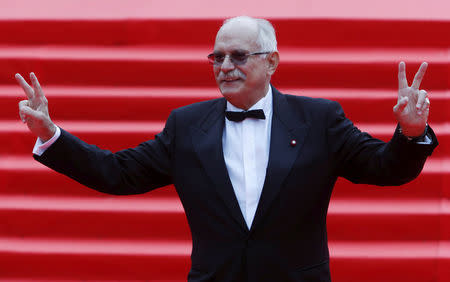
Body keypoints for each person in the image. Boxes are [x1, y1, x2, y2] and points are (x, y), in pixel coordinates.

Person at [16, 16, 437, 282]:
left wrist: (411, 132)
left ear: (272, 62)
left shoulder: (319, 119)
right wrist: (51, 133)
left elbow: (387, 169)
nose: (225, 67)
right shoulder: (187, 125)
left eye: (238, 56)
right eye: (216, 58)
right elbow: (117, 173)